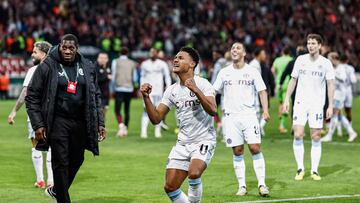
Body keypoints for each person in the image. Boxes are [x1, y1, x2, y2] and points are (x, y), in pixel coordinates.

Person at [25, 34, 106, 203]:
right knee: (60, 162)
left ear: (77, 49)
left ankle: (56, 190)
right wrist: (38, 124)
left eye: (71, 48)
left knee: (77, 159)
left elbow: (95, 95)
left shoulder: (87, 66)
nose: (67, 51)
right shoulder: (48, 65)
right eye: (64, 47)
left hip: (80, 121)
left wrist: (100, 122)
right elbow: (32, 95)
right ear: (59, 46)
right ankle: (63, 199)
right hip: (57, 120)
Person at [140, 47, 217, 203]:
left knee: (194, 173)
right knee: (170, 187)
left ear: (192, 64)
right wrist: (146, 97)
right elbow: (156, 119)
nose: (175, 60)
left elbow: (213, 110)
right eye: (175, 57)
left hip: (203, 140)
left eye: (181, 58)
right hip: (182, 143)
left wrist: (196, 90)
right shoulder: (171, 90)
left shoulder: (203, 84)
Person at [213, 42, 270, 197]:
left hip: (249, 115)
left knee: (254, 148)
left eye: (238, 48)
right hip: (231, 117)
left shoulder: (252, 71)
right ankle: (242, 186)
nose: (234, 50)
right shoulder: (224, 72)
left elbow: (262, 91)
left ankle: (262, 184)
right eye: (232, 48)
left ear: (244, 53)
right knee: (237, 151)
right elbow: (214, 91)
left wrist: (265, 110)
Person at [283, 33, 335, 181]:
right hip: (300, 103)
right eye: (308, 43)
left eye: (313, 43)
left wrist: (330, 105)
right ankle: (300, 169)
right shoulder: (300, 60)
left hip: (317, 104)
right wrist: (286, 99)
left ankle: (314, 170)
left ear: (320, 46)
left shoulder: (326, 63)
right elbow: (293, 80)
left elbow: (330, 84)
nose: (310, 46)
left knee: (316, 136)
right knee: (298, 134)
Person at [8, 41, 53, 189]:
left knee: (36, 145)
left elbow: (25, 93)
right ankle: (51, 181)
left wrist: (14, 111)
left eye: (35, 52)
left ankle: (40, 180)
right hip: (52, 114)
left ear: (44, 53)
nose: (32, 54)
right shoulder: (56, 69)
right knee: (52, 147)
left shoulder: (34, 70)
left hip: (35, 114)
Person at [321, 53, 357, 142]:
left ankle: (329, 136)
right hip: (336, 93)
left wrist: (333, 74)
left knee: (334, 114)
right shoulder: (334, 68)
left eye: (329, 59)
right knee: (338, 115)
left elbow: (343, 78)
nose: (328, 61)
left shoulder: (340, 68)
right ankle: (351, 132)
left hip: (340, 94)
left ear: (334, 59)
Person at [140, 48, 171, 138]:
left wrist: (168, 88)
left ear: (157, 53)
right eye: (150, 52)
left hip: (159, 91)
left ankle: (157, 132)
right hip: (148, 92)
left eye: (153, 52)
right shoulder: (144, 64)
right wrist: (141, 88)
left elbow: (167, 76)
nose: (152, 53)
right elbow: (142, 77)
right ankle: (143, 131)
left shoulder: (162, 64)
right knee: (146, 110)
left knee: (158, 111)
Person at [111, 47, 138, 137]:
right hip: (129, 88)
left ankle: (121, 125)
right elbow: (134, 77)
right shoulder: (132, 63)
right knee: (127, 110)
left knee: (117, 110)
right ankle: (125, 129)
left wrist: (112, 87)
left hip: (119, 88)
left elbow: (114, 75)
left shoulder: (116, 61)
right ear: (128, 53)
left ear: (119, 53)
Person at [249, 47, 275, 136]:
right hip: (253, 93)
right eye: (263, 54)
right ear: (259, 54)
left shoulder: (257, 64)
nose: (265, 56)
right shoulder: (254, 65)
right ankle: (255, 131)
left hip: (257, 92)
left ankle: (256, 130)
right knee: (256, 112)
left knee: (259, 111)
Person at [272, 47, 293, 134]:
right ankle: (281, 125)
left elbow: (272, 70)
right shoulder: (291, 60)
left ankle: (281, 119)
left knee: (281, 103)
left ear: (282, 52)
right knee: (286, 104)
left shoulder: (277, 60)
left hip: (278, 84)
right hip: (288, 84)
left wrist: (277, 77)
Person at [210, 50, 227, 133]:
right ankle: (221, 125)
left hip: (216, 90)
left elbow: (215, 77)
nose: (213, 56)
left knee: (211, 109)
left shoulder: (218, 64)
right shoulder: (228, 63)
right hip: (224, 91)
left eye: (214, 54)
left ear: (218, 54)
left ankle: (218, 124)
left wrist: (211, 88)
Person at [96, 52, 112, 120]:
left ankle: (101, 127)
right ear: (98, 59)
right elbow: (96, 80)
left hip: (106, 94)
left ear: (107, 59)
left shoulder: (108, 68)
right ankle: (98, 127)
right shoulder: (95, 67)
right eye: (101, 58)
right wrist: (106, 77)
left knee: (105, 111)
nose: (103, 59)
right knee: (100, 112)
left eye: (105, 58)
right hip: (98, 94)